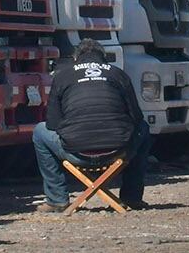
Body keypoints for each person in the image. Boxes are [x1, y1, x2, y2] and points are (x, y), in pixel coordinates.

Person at [32, 40, 152, 210]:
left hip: (76, 152)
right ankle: (131, 197)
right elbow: (136, 118)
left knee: (39, 131)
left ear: (76, 58)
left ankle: (56, 199)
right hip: (118, 151)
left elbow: (52, 124)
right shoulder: (118, 75)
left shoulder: (62, 76)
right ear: (104, 59)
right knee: (144, 129)